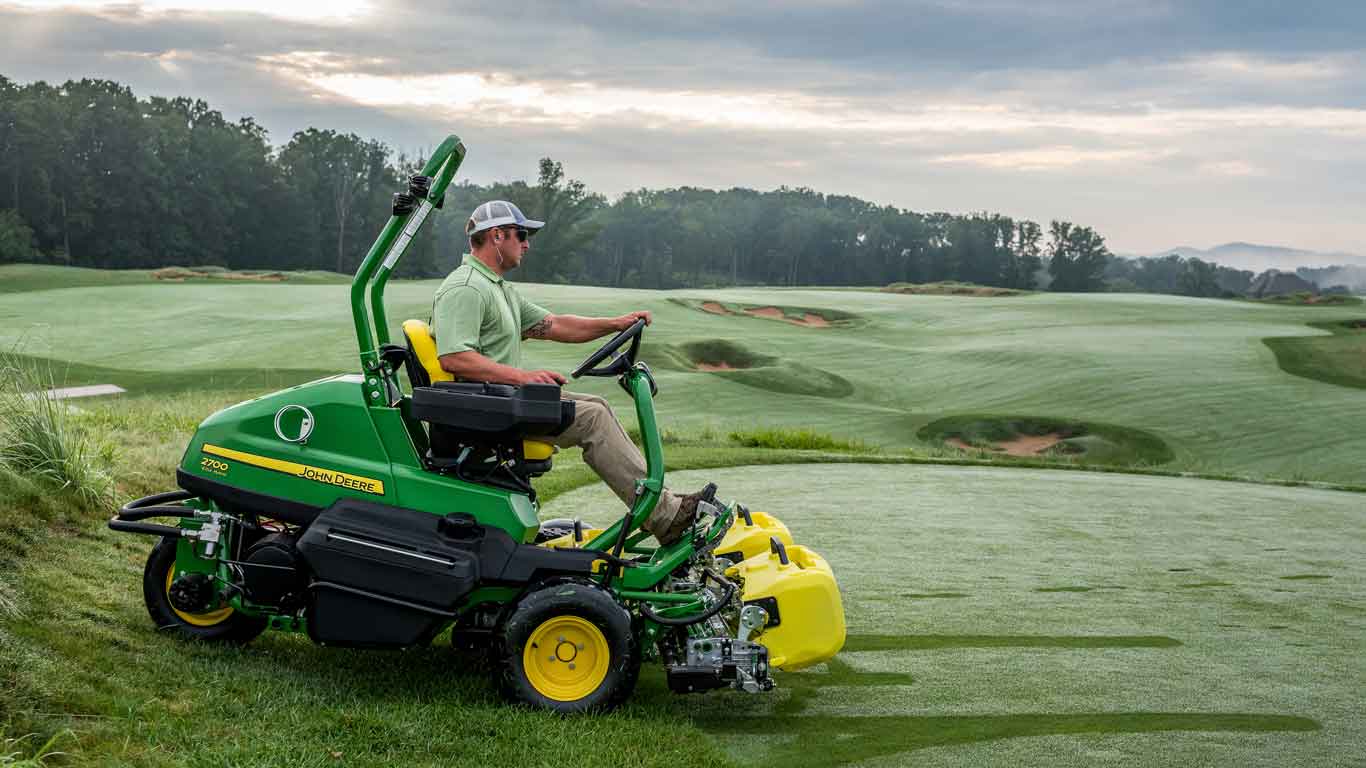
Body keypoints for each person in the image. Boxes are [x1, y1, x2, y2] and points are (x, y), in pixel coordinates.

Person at [431, 200, 708, 545]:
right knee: (592, 418)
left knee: (597, 406)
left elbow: (557, 325)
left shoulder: (497, 288)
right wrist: (524, 377)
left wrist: (616, 324)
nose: (527, 243)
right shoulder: (467, 288)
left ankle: (663, 508)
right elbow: (455, 358)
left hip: (500, 400)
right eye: (521, 234)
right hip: (485, 411)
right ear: (496, 235)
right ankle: (665, 517)